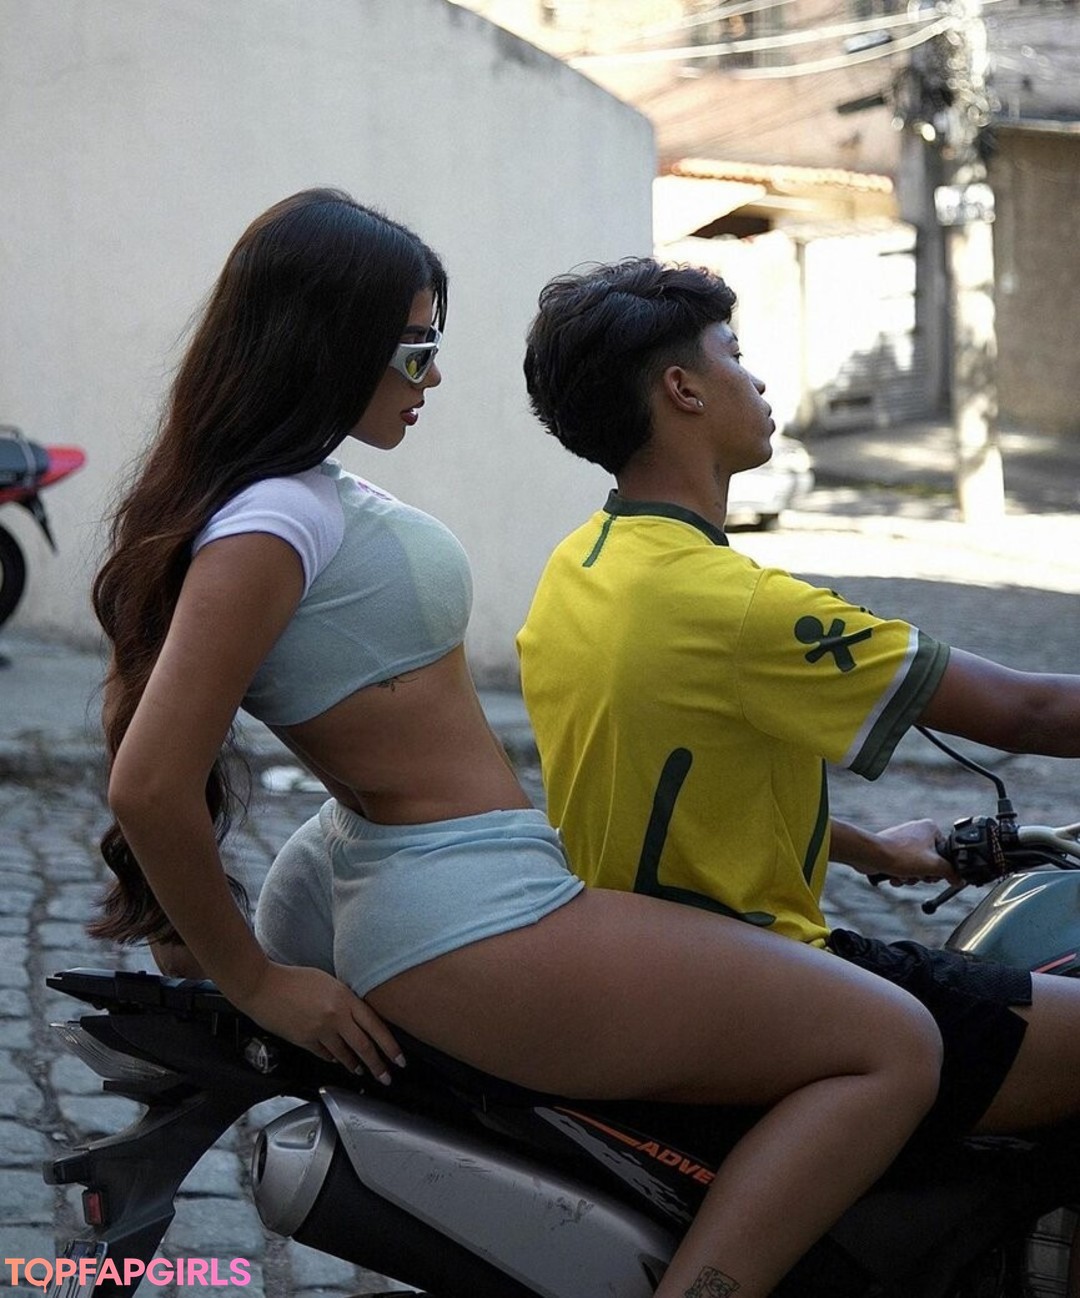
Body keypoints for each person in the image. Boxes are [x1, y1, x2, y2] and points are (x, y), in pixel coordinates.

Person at [88, 190, 943, 1298]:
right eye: (417, 349)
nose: (434, 376)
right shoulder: (272, 522)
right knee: (895, 1044)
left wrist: (858, 845)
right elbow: (151, 780)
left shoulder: (272, 497)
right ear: (327, 341)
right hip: (461, 915)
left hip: (398, 875)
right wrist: (251, 978)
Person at [517, 254, 1080, 1148]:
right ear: (682, 390)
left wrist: (872, 849)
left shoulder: (580, 564)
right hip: (757, 984)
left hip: (640, 970)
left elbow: (670, 790)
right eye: (735, 355)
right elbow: (1027, 714)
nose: (757, 379)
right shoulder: (740, 606)